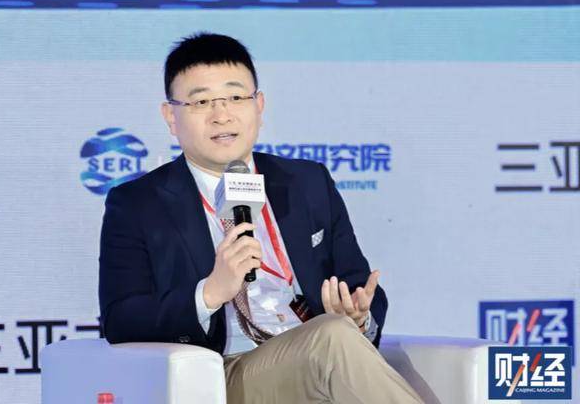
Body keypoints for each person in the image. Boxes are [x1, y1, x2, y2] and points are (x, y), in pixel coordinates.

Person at [99, 32, 422, 403]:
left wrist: (358, 317)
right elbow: (121, 319)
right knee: (332, 338)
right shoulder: (137, 204)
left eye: (236, 97)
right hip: (221, 375)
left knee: (335, 335)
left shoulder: (307, 182)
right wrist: (209, 293)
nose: (222, 115)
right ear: (171, 116)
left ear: (259, 105)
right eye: (201, 102)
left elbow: (357, 282)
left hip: (317, 353)